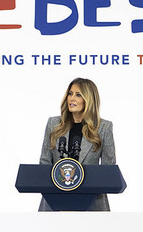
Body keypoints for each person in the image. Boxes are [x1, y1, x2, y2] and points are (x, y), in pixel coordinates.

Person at [39, 78, 116, 211]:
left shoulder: (103, 127)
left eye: (78, 95)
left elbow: (108, 170)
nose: (72, 98)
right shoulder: (54, 124)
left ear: (89, 99)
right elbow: (45, 162)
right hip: (55, 202)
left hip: (91, 204)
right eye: (70, 93)